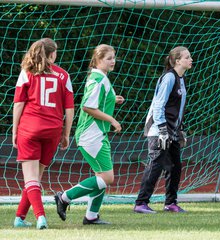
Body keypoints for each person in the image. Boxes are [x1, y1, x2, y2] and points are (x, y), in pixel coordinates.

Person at [54, 44, 124, 225]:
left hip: (97, 134)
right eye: (109, 58)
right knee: (107, 178)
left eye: (114, 57)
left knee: (100, 176)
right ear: (98, 59)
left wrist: (112, 100)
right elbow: (88, 107)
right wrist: (112, 119)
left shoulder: (100, 77)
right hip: (91, 135)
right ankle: (65, 197)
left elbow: (96, 101)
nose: (113, 61)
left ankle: (91, 216)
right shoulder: (98, 79)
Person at [12, 38, 74, 229]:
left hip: (30, 128)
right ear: (52, 54)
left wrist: (15, 130)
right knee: (35, 178)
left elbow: (19, 103)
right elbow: (70, 108)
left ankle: (41, 217)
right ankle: (19, 218)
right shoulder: (64, 75)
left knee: (30, 179)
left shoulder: (27, 72)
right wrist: (66, 134)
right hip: (53, 130)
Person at [133, 46, 192, 214]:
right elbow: (159, 105)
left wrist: (179, 129)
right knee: (156, 164)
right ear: (178, 60)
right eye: (187, 57)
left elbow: (177, 108)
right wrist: (163, 130)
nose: (190, 59)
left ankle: (170, 203)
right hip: (159, 130)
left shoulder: (181, 78)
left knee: (175, 166)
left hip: (172, 130)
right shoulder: (169, 78)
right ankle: (141, 203)